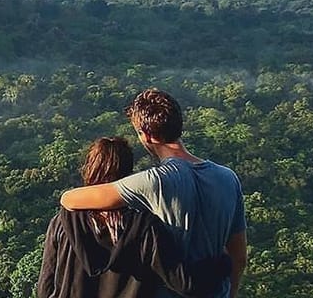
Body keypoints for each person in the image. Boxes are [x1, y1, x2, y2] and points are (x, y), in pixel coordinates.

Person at [60, 89, 247, 298]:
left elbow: (70, 199)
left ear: (146, 135)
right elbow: (238, 256)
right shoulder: (228, 178)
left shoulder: (154, 182)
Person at [37, 136, 231, 298]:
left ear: (88, 170)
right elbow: (185, 283)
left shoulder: (63, 222)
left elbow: (45, 286)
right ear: (128, 175)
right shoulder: (144, 227)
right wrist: (222, 262)